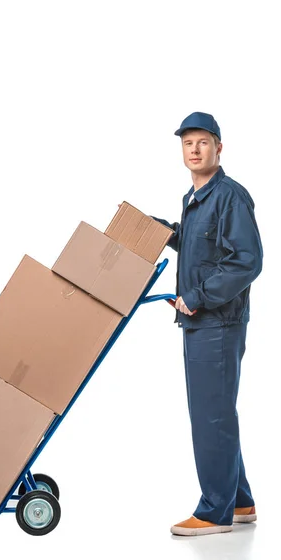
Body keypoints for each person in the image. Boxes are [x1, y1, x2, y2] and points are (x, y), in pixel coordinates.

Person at [151, 111, 263, 536]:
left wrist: (196, 297)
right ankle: (239, 501)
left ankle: (214, 511)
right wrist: (169, 233)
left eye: (203, 142)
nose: (195, 150)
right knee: (218, 412)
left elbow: (247, 261)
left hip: (217, 322)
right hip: (199, 321)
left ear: (219, 147)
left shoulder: (229, 195)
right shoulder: (195, 197)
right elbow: (206, 249)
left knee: (210, 416)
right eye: (187, 143)